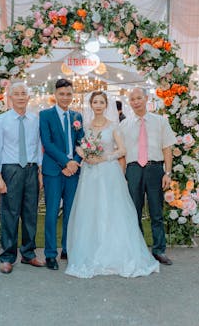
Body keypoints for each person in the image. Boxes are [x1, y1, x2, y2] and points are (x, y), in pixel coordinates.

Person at [65, 91, 159, 278]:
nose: (98, 105)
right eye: (95, 102)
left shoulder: (113, 126)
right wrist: (85, 154)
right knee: (91, 211)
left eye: (101, 102)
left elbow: (122, 150)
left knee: (112, 210)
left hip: (108, 172)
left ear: (106, 105)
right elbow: (80, 146)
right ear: (91, 105)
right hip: (90, 174)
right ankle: (91, 252)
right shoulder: (85, 126)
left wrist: (104, 157)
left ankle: (115, 252)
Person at [0, 81, 44, 274]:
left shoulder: (35, 120)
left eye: (24, 93)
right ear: (10, 97)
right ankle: (7, 257)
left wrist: (39, 171)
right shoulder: (1, 121)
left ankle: (28, 254)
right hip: (10, 170)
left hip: (31, 170)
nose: (21, 96)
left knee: (30, 213)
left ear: (28, 97)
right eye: (17, 93)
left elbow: (38, 147)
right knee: (10, 214)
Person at [120, 87, 176, 266]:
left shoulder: (160, 121)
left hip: (155, 169)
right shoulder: (124, 124)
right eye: (132, 99)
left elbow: (167, 148)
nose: (135, 101)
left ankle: (159, 250)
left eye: (139, 98)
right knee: (133, 211)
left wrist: (167, 172)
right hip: (133, 169)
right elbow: (121, 153)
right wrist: (123, 175)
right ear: (129, 102)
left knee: (156, 212)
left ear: (146, 99)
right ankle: (138, 249)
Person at [39, 79, 84, 271]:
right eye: (62, 94)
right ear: (55, 95)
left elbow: (82, 143)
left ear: (72, 95)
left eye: (68, 94)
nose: (65, 97)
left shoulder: (77, 117)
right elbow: (47, 144)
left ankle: (67, 248)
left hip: (73, 171)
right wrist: (66, 162)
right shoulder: (45, 115)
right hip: (53, 171)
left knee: (71, 212)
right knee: (51, 213)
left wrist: (75, 162)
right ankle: (50, 253)